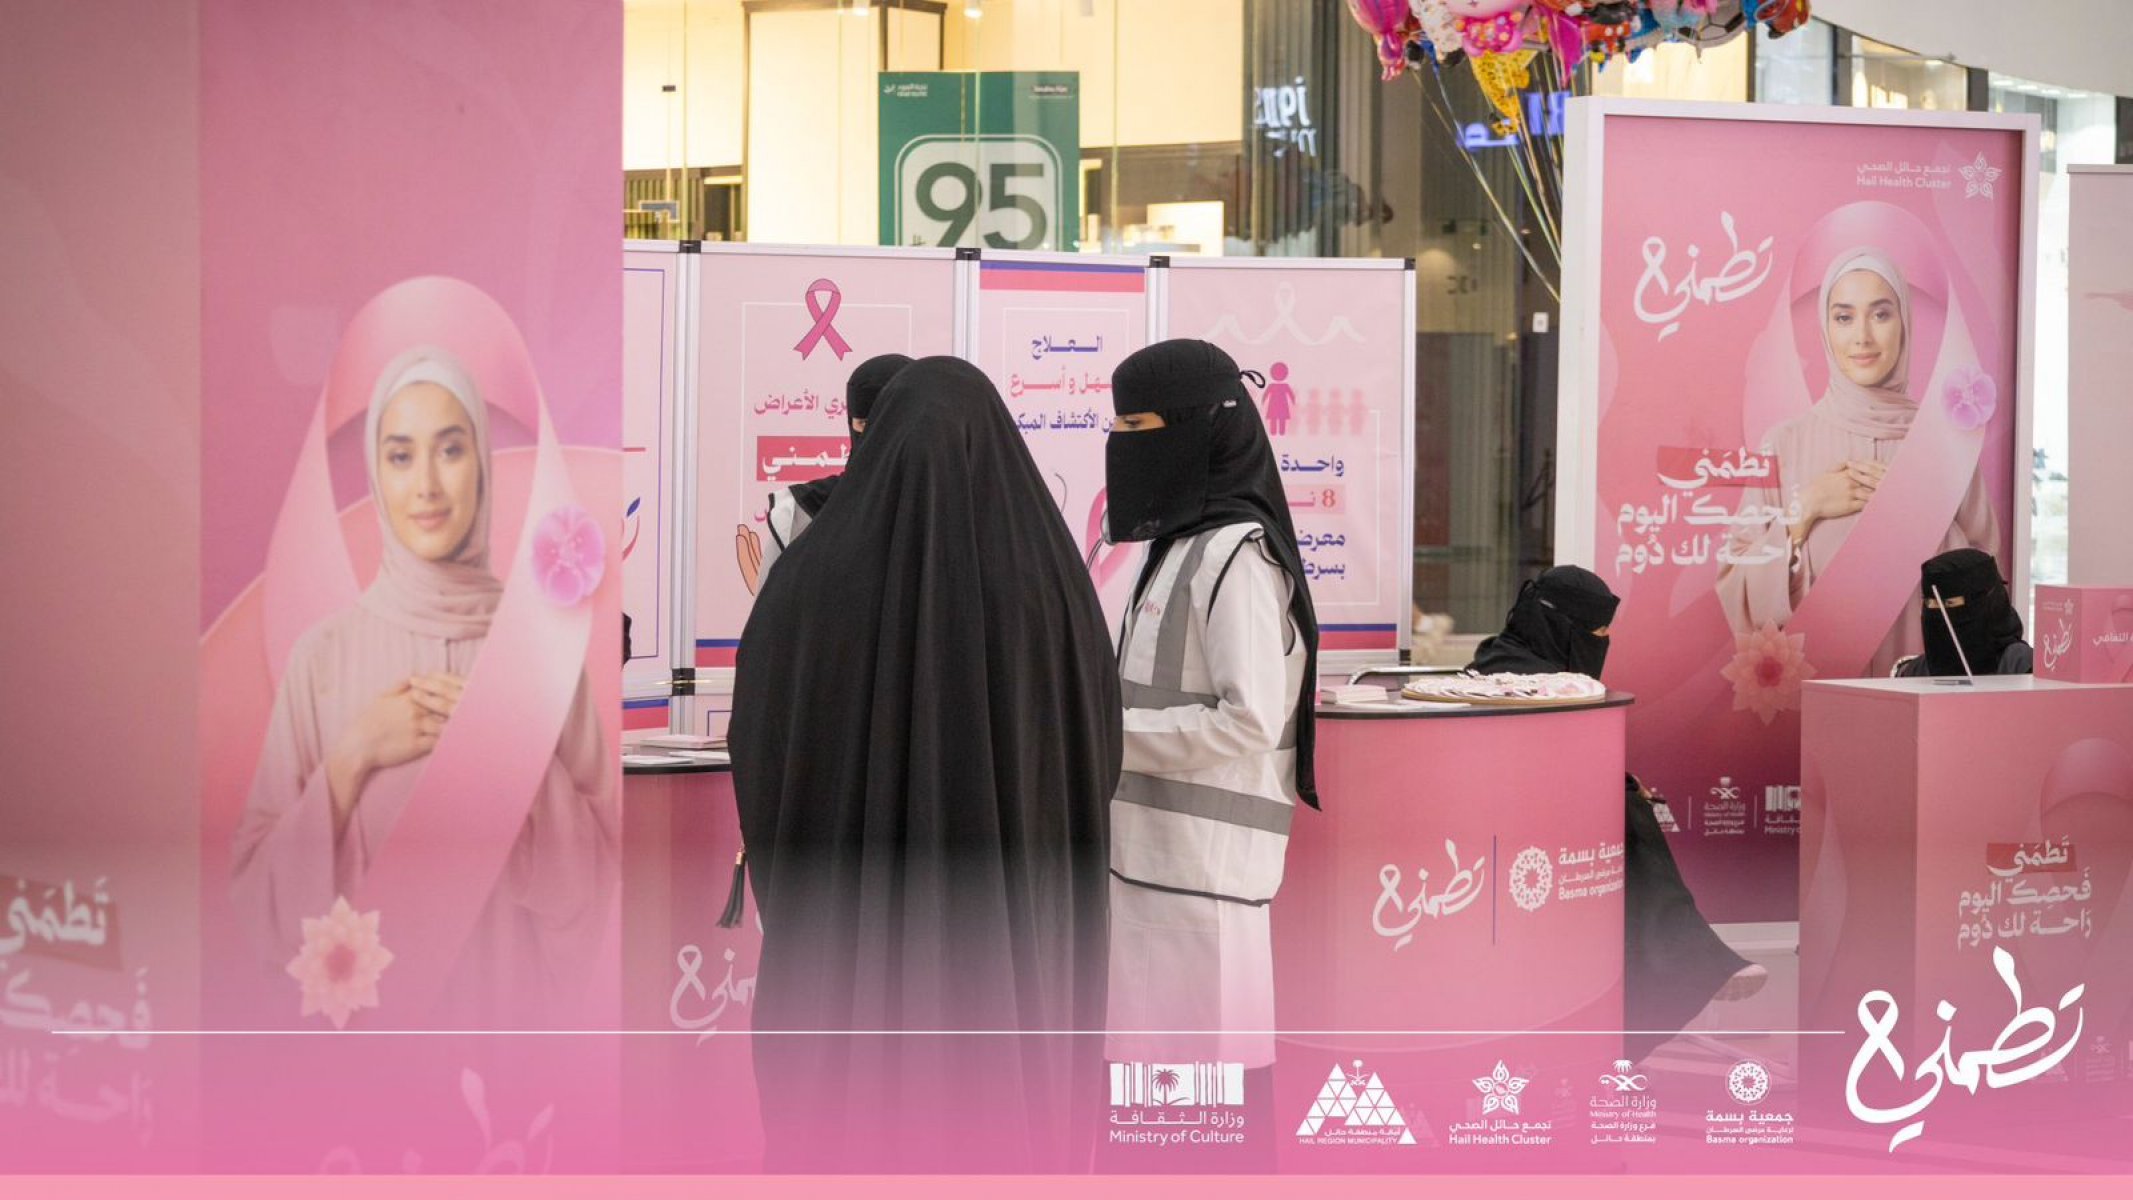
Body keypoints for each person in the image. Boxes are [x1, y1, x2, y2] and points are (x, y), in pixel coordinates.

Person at [728, 356, 1119, 1172]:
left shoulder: (812, 580)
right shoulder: (1053, 590)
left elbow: (760, 739)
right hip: (1010, 928)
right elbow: (1096, 753)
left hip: (847, 934)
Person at [232, 348, 614, 1024]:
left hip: (510, 1056)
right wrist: (352, 759)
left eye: (451, 450)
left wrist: (513, 764)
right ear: (375, 473)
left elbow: (603, 890)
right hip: (368, 1060)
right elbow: (254, 901)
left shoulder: (540, 654)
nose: (427, 486)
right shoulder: (323, 661)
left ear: (482, 464)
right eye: (401, 456)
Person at [1099, 338, 1319, 1168]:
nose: (1122, 445)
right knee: (1151, 1121)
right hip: (1147, 870)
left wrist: (1101, 739)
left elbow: (1248, 720)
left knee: (1204, 1127)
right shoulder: (1173, 549)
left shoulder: (1238, 558)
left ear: (1200, 427)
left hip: (1205, 887)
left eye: (1138, 427)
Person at [1472, 566, 1765, 1062]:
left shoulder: (1515, 658)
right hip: (1509, 831)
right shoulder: (1516, 675)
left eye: (1606, 633)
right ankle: (1689, 957)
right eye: (1594, 633)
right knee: (1628, 817)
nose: (1600, 644)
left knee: (1627, 813)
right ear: (1558, 626)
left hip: (1546, 817)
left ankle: (1689, 958)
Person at [1717, 249, 2002, 676]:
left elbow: (1988, 592)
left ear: (1904, 323)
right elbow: (1736, 588)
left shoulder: (1945, 446)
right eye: (1844, 317)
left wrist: (1917, 514)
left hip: (1925, 685)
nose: (1862, 337)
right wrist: (1804, 510)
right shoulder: (1785, 443)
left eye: (1881, 314)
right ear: (1825, 327)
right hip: (1820, 689)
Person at [741, 352, 912, 591]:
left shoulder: (942, 516)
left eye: (887, 423)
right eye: (864, 424)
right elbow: (769, 607)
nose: (875, 437)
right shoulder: (802, 514)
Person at [1893, 548, 2032, 677]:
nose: (1937, 614)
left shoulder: (2019, 665)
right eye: (1930, 604)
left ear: (1983, 603)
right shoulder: (1916, 671)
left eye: (1949, 603)